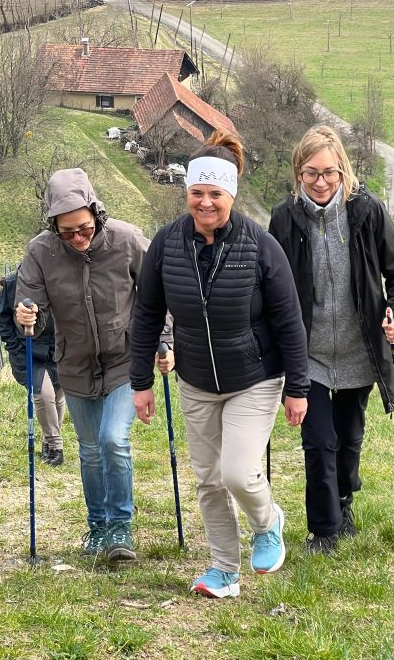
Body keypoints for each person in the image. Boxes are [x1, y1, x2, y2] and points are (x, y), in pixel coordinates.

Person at [130, 129, 309, 600]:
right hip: (196, 380)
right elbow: (146, 314)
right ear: (186, 193)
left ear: (231, 194)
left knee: (237, 473)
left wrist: (298, 388)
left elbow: (289, 320)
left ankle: (267, 523)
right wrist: (140, 381)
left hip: (255, 378)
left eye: (215, 194)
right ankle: (224, 571)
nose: (205, 203)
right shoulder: (167, 244)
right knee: (208, 481)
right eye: (197, 193)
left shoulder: (260, 246)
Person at [268, 124, 394, 554]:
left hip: (359, 349)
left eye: (329, 173)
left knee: (349, 440)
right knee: (319, 442)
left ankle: (344, 500)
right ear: (298, 172)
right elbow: (269, 283)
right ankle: (325, 530)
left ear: (343, 171)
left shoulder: (367, 211)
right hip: (308, 353)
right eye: (311, 173)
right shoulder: (284, 218)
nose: (321, 182)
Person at [14, 168, 171, 562]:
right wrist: (27, 316)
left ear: (96, 214)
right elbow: (33, 312)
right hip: (75, 363)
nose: (78, 238)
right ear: (53, 225)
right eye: (67, 233)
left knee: (113, 440)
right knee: (90, 450)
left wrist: (165, 340)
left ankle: (121, 527)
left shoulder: (126, 239)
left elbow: (159, 292)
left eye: (84, 228)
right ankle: (98, 527)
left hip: (125, 360)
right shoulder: (40, 252)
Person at [0, 270, 66, 466]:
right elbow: (1, 315)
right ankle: (55, 445)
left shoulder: (62, 274)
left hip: (58, 348)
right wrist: (15, 346)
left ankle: (47, 442)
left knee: (58, 395)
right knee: (44, 395)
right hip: (27, 349)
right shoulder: (15, 281)